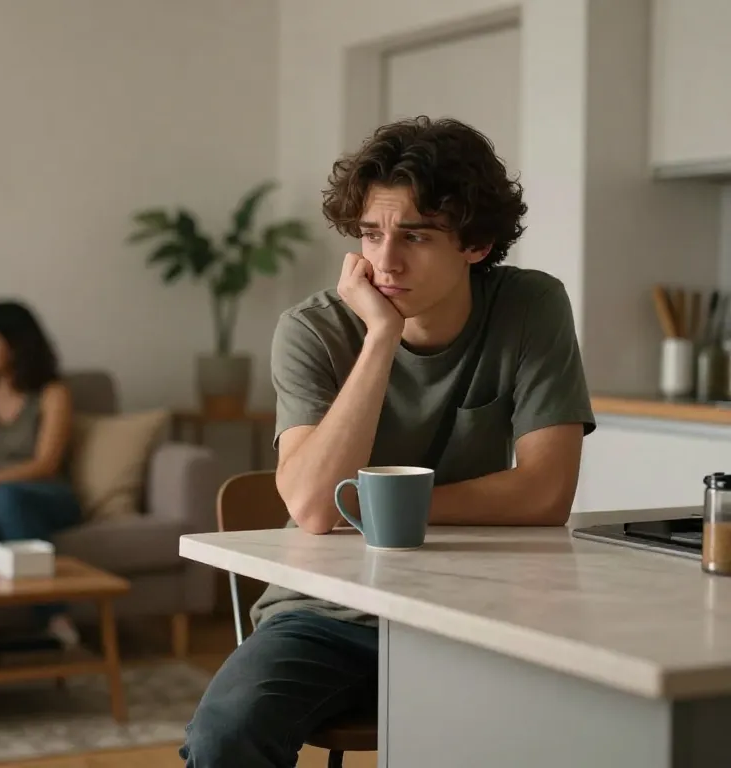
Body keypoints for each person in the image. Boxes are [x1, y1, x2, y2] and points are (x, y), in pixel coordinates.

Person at [179, 116, 597, 767]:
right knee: (224, 736)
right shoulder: (313, 330)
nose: (384, 261)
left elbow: (545, 493)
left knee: (583, 726)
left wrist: (379, 511)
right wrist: (380, 337)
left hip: (479, 608)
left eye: (416, 236)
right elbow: (314, 508)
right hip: (325, 615)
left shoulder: (529, 307)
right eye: (371, 235)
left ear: (476, 244)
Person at [0, 299, 83, 649]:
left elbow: (45, 464)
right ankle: (0, 616)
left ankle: (55, 614)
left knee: (4, 497)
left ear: (15, 345)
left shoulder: (53, 393)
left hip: (44, 495)